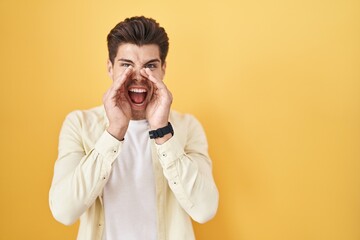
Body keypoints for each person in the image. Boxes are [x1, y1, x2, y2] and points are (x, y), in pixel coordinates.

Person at [49, 16, 219, 240]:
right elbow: (64, 211)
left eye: (150, 66)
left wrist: (161, 131)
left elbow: (205, 209)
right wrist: (115, 131)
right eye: (127, 65)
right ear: (110, 67)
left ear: (163, 69)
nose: (138, 76)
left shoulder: (187, 127)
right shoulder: (79, 124)